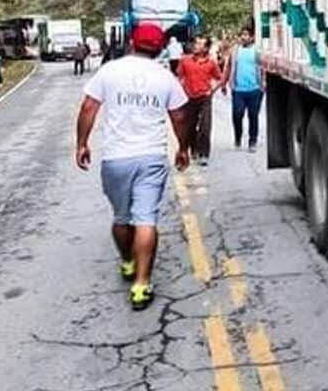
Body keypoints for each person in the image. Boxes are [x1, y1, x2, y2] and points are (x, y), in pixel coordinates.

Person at [75, 22, 192, 311]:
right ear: (160, 48)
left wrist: (82, 144)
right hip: (151, 156)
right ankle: (141, 285)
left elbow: (88, 107)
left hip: (116, 158)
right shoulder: (165, 77)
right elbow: (179, 116)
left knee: (121, 218)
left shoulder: (110, 71)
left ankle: (128, 262)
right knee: (146, 220)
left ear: (131, 41)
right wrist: (183, 148)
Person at [176, 36, 224, 166]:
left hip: (205, 98)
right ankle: (194, 149)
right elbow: (179, 77)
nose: (196, 46)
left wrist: (212, 90)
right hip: (189, 98)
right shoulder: (185, 60)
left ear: (206, 48)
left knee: (205, 126)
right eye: (196, 43)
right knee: (190, 127)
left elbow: (220, 78)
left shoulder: (211, 63)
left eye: (200, 44)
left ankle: (204, 154)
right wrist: (181, 90)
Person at [225, 25, 266, 151]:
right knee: (237, 115)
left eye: (246, 35)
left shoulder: (257, 51)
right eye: (242, 35)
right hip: (238, 90)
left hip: (254, 89)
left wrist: (263, 85)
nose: (244, 37)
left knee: (253, 116)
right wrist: (226, 83)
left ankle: (252, 141)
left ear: (252, 37)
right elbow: (229, 67)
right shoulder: (235, 51)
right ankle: (238, 138)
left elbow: (263, 68)